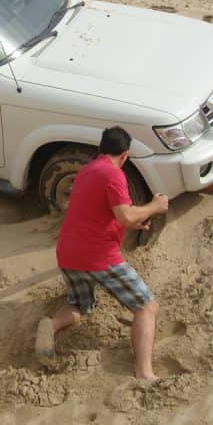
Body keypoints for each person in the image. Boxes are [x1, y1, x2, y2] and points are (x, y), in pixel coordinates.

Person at [35, 127, 168, 382]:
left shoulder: (87, 170)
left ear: (101, 148)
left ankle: (50, 327)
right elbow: (126, 214)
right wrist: (154, 206)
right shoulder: (114, 174)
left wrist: (131, 222)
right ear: (125, 155)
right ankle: (144, 373)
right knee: (146, 306)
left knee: (79, 305)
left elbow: (103, 213)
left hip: (68, 252)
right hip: (98, 255)